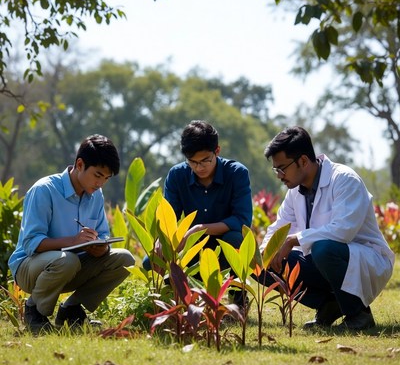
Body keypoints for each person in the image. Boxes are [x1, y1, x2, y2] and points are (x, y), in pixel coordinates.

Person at [255, 126, 395, 330]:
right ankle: (329, 304)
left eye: (282, 168)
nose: (279, 175)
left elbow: (342, 231)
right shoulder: (295, 192)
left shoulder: (345, 179)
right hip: (323, 261)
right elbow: (279, 227)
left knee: (323, 248)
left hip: (364, 260)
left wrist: (293, 240)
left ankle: (359, 314)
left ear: (303, 161)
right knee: (260, 263)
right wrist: (265, 250)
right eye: (276, 169)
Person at [8, 134, 135, 333]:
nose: (101, 183)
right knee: (67, 260)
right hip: (30, 268)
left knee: (125, 259)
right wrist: (73, 241)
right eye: (98, 175)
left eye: (106, 178)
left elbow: (103, 236)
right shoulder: (44, 190)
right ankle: (35, 310)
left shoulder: (96, 195)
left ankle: (71, 309)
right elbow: (31, 243)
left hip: (71, 266)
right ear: (80, 164)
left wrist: (100, 248)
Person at [143, 120, 253, 308]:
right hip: (190, 247)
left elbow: (242, 220)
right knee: (150, 260)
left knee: (236, 239)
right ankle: (178, 296)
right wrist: (162, 241)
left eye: (205, 161)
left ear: (217, 151)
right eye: (192, 162)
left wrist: (201, 229)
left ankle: (238, 297)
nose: (199, 167)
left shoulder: (236, 173)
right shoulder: (177, 175)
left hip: (223, 246)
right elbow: (169, 217)